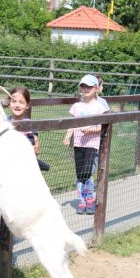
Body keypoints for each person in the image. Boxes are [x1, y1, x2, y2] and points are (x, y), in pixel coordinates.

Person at [0, 86, 49, 252]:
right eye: (14, 101)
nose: (17, 105)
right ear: (8, 103)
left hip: (18, 173)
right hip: (1, 170)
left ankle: (25, 232)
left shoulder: (29, 125)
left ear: (27, 105)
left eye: (21, 102)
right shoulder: (3, 122)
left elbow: (34, 147)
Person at [63, 74, 107, 215]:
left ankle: (90, 199)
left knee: (87, 173)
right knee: (80, 174)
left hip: (91, 145)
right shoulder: (76, 106)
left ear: (95, 88)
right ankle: (81, 201)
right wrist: (68, 136)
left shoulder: (99, 107)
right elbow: (72, 124)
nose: (86, 89)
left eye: (89, 86)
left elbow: (102, 127)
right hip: (78, 144)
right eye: (83, 86)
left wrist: (89, 130)